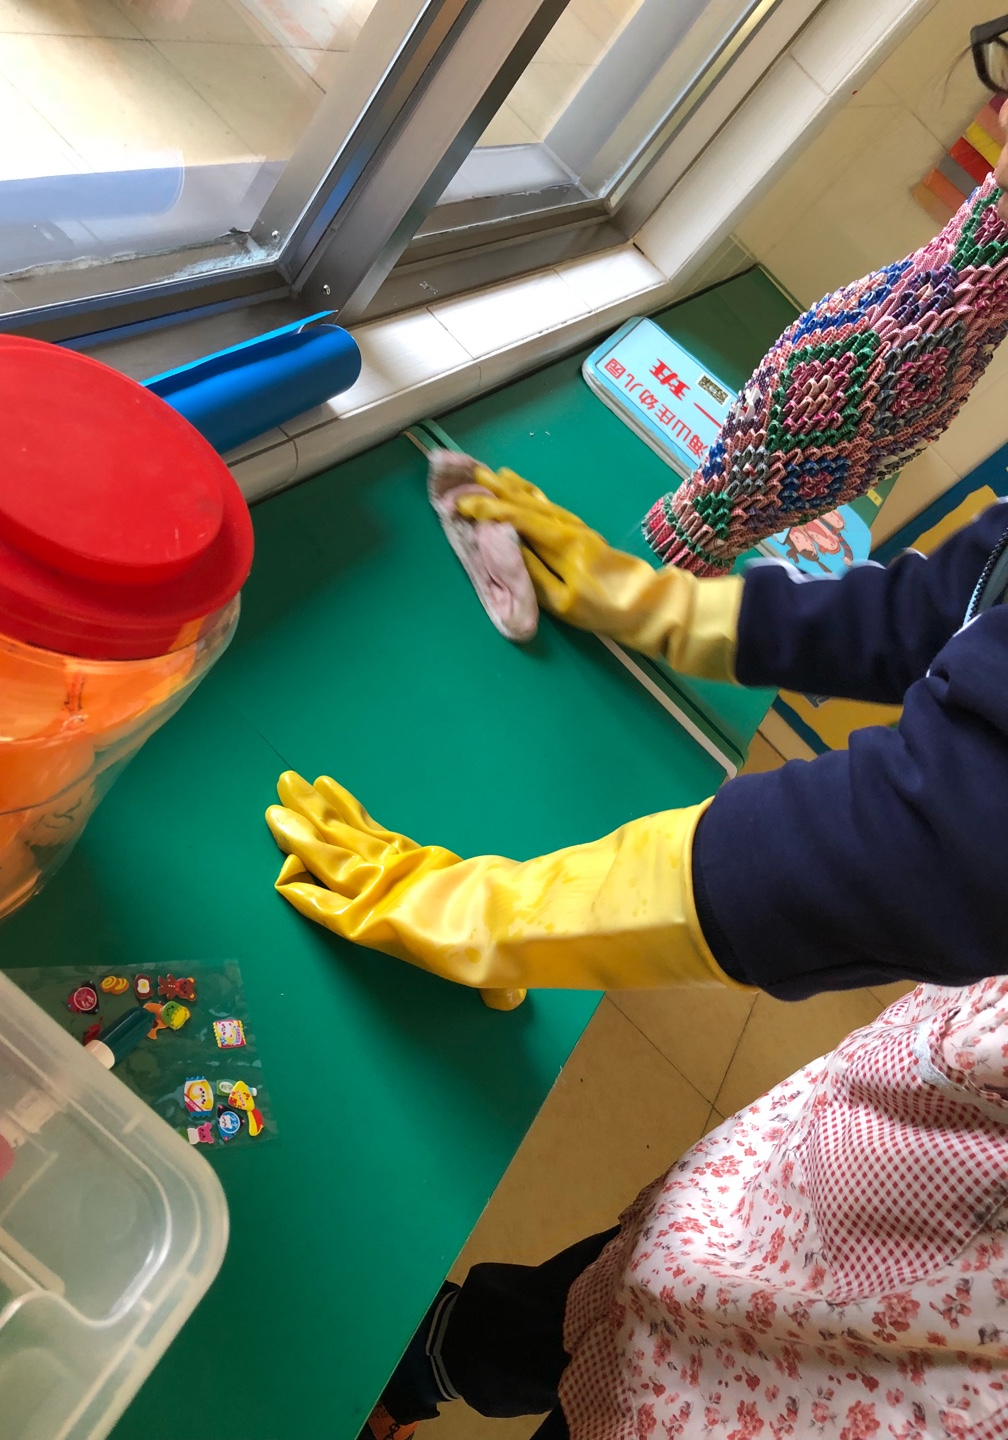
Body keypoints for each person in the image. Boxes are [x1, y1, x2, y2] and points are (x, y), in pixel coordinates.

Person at [265, 22, 1008, 1440]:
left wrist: (494, 914)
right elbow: (956, 603)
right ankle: (444, 1366)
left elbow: (941, 830)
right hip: (922, 1130)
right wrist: (662, 607)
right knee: (681, 1257)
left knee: (706, 1387)